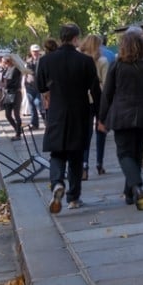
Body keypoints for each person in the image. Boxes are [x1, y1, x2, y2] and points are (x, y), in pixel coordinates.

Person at [98, 28, 143, 210]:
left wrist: (102, 117)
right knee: (136, 154)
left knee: (124, 154)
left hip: (122, 116)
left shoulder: (117, 65)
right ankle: (131, 195)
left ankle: (137, 186)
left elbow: (107, 95)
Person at [36, 23, 101, 213]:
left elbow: (40, 86)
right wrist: (100, 114)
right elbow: (95, 90)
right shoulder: (86, 61)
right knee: (76, 156)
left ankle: (57, 183)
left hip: (56, 111)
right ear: (75, 39)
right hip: (80, 112)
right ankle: (74, 197)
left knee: (57, 153)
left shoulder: (47, 61)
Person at [79, 34, 110, 177]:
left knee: (85, 133)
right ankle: (99, 163)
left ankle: (84, 165)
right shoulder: (102, 60)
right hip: (99, 99)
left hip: (83, 99)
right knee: (101, 130)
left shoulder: (79, 59)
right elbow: (106, 84)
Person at [0, 56, 24, 141]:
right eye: (5, 62)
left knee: (16, 114)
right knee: (7, 114)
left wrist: (6, 84)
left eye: (7, 62)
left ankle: (18, 134)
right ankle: (17, 129)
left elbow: (16, 82)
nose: (6, 64)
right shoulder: (6, 71)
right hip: (8, 93)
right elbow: (4, 81)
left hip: (16, 92)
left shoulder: (16, 70)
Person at [24, 44, 44, 131]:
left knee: (38, 103)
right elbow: (25, 73)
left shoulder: (43, 60)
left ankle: (46, 121)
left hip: (40, 86)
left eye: (36, 51)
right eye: (33, 51)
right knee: (31, 105)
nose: (35, 53)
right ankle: (34, 124)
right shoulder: (28, 61)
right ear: (31, 52)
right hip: (29, 85)